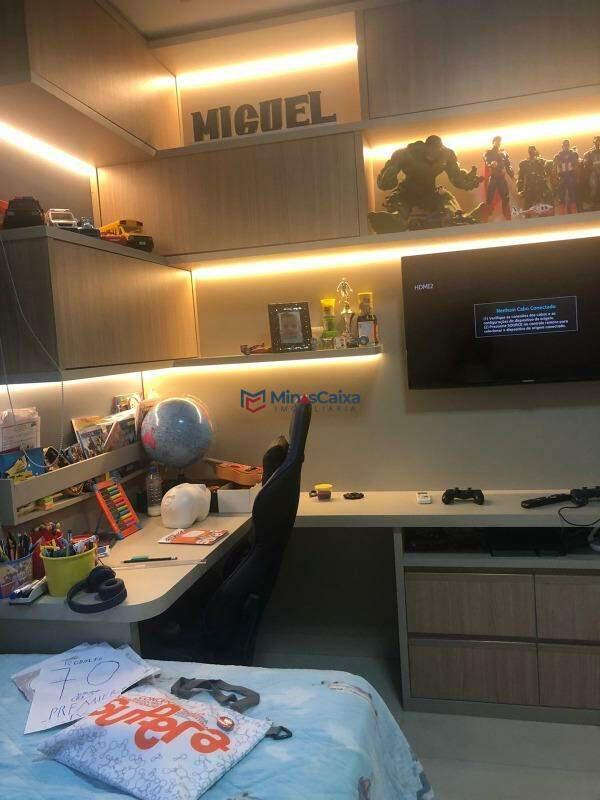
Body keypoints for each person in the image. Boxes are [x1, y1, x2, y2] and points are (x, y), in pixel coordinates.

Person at [368, 134, 484, 233]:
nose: (432, 156)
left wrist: (468, 181)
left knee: (447, 204)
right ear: (424, 147)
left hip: (431, 194)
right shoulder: (406, 154)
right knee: (400, 211)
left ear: (440, 150)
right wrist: (389, 174)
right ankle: (399, 221)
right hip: (405, 194)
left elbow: (456, 177)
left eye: (436, 152)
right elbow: (384, 184)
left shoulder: (446, 155)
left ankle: (460, 219)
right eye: (429, 151)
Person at [483, 135, 514, 221]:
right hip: (493, 177)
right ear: (493, 142)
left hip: (501, 178)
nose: (498, 143)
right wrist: (491, 164)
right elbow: (486, 160)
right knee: (489, 196)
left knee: (505, 197)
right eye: (496, 141)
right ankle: (488, 213)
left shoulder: (504, 153)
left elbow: (508, 165)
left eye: (499, 141)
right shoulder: (488, 152)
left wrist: (512, 175)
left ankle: (505, 213)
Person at [517, 145, 553, 210]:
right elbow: (520, 178)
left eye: (532, 150)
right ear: (528, 152)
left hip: (541, 185)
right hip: (530, 187)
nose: (531, 152)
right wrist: (520, 190)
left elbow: (550, 165)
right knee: (527, 207)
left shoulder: (541, 161)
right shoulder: (524, 164)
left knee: (549, 198)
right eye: (530, 151)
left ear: (535, 151)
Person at [553, 139, 580, 214]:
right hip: (562, 176)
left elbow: (577, 166)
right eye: (565, 145)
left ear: (569, 146)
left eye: (567, 145)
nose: (566, 147)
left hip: (571, 176)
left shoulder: (573, 154)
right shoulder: (558, 156)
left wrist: (577, 177)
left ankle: (574, 211)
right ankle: (562, 212)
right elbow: (554, 167)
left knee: (573, 195)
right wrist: (555, 178)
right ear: (562, 146)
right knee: (561, 195)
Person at [582, 136, 600, 209]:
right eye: (597, 142)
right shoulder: (589, 154)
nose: (598, 144)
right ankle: (593, 203)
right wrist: (591, 167)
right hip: (593, 172)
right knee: (594, 187)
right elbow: (586, 164)